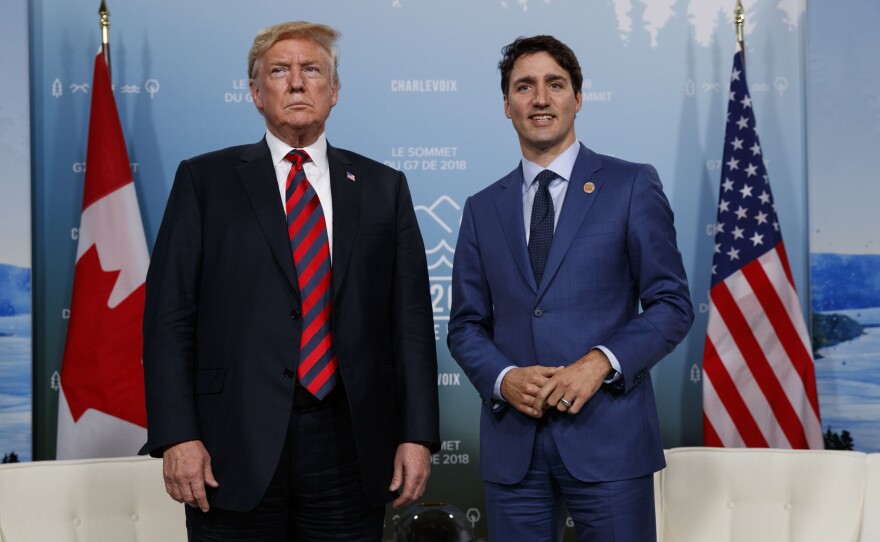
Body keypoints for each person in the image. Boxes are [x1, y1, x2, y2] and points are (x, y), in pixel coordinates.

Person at [141, 21, 440, 541]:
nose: (297, 82)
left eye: (313, 70)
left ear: (335, 90)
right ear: (256, 93)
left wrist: (417, 435)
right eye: (279, 71)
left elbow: (410, 323)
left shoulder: (384, 187)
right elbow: (169, 318)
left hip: (349, 445)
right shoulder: (204, 181)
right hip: (230, 444)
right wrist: (177, 435)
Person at [447, 35, 693, 541]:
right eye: (524, 87)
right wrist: (504, 378)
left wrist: (600, 362)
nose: (540, 98)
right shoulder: (481, 208)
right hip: (514, 446)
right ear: (507, 105)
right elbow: (465, 326)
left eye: (554, 84)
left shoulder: (631, 185)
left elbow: (671, 304)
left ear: (578, 98)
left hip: (610, 438)